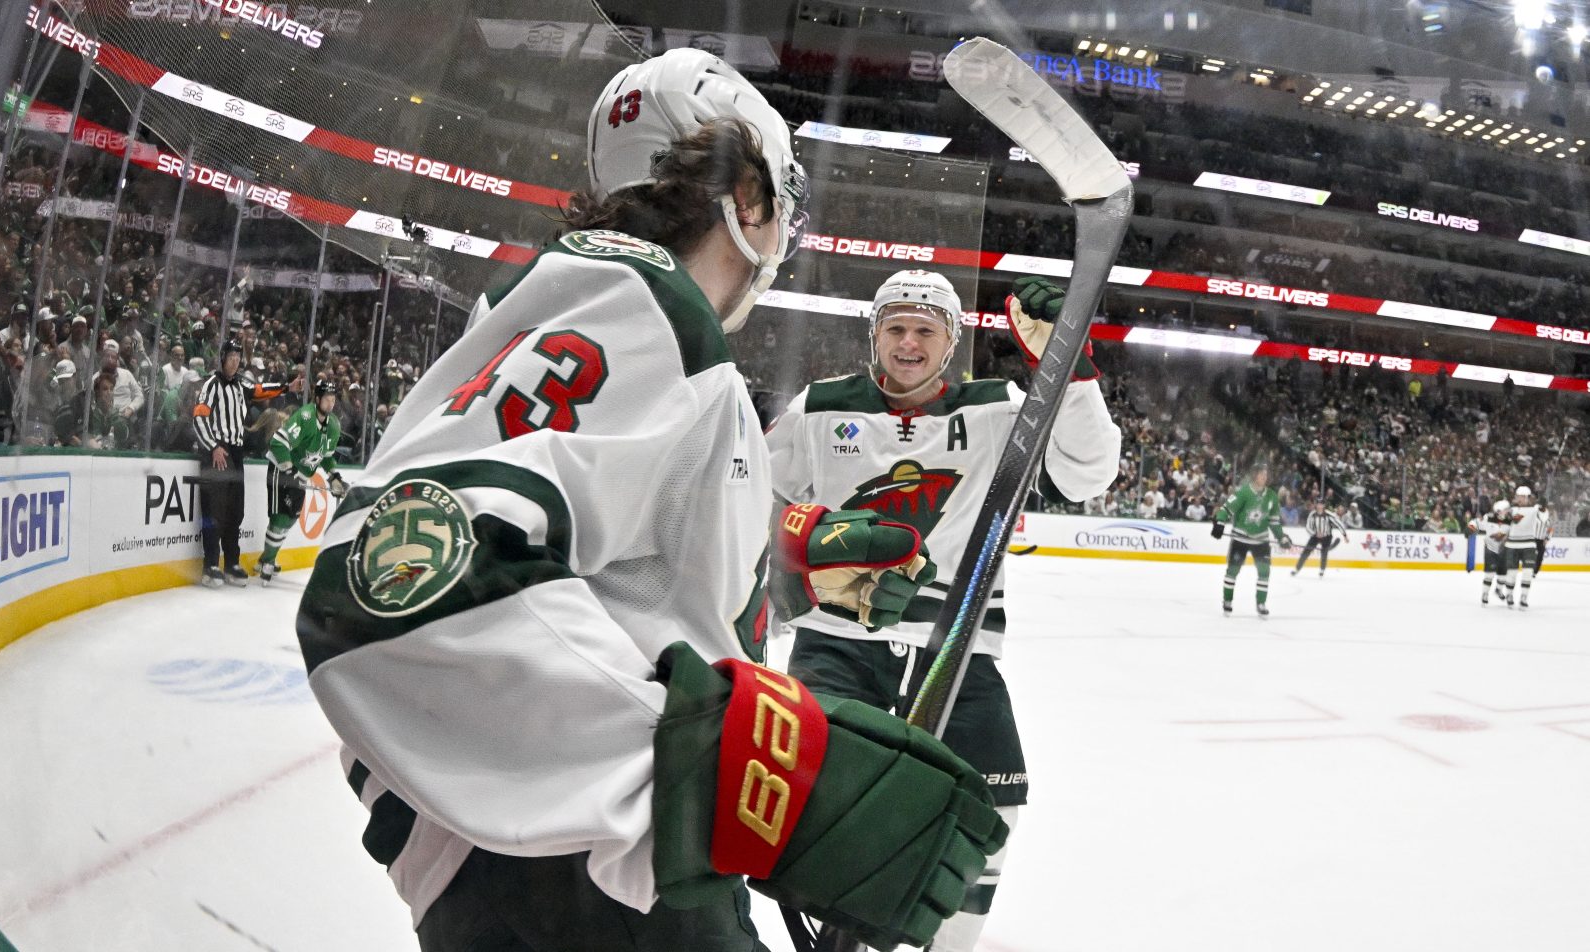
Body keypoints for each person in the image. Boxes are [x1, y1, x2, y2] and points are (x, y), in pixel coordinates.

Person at [295, 49, 1003, 952]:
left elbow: (611, 542)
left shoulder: (581, 302)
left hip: (561, 854)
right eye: (781, 198)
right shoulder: (640, 305)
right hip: (584, 870)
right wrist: (729, 776)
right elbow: (395, 582)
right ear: (748, 202)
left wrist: (799, 554)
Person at [764, 270, 1120, 952]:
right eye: (895, 326)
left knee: (994, 804)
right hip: (840, 638)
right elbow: (755, 502)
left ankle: (944, 942)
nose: (908, 341)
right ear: (874, 336)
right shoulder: (821, 406)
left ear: (951, 340)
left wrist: (1071, 373)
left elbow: (1087, 474)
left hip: (956, 646)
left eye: (925, 329)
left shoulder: (997, 407)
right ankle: (833, 931)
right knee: (815, 797)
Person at [192, 339, 302, 587]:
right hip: (217, 452)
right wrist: (213, 447)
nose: (234, 361)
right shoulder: (211, 386)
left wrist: (287, 387)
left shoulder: (241, 384)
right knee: (214, 510)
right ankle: (210, 565)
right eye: (230, 356)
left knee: (234, 510)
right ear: (221, 358)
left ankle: (231, 562)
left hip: (236, 451)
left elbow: (261, 390)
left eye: (237, 357)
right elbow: (198, 419)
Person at [255, 380, 348, 583]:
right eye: (327, 399)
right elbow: (278, 442)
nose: (330, 404)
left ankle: (264, 559)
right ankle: (268, 561)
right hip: (282, 469)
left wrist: (334, 477)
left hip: (300, 475)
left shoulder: (333, 425)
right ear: (317, 399)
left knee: (290, 518)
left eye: (333, 400)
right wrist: (289, 467)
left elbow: (326, 456)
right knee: (280, 517)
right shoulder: (305, 417)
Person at [1212, 462, 1295, 618]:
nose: (1264, 477)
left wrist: (1281, 537)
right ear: (1254, 475)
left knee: (1265, 571)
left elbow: (1274, 522)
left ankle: (1261, 603)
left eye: (1266, 474)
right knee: (1232, 571)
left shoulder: (1271, 496)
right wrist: (1219, 523)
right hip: (1240, 538)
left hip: (1261, 540)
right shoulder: (1243, 492)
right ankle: (1227, 601)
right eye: (1261, 474)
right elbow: (1226, 509)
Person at [1504, 485, 1543, 609]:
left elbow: (1543, 518)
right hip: (1512, 545)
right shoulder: (1511, 510)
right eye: (1518, 496)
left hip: (1529, 545)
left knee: (1528, 572)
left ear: (1528, 498)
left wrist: (1542, 507)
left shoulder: (1535, 510)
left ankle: (1524, 597)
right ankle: (1509, 595)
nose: (1520, 499)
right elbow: (1511, 520)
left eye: (1523, 497)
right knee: (1512, 573)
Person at [1291, 499, 1349, 577]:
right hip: (1315, 536)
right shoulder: (1312, 514)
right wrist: (1314, 533)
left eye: (1321, 504)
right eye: (1318, 504)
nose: (1319, 506)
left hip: (1327, 537)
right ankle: (1297, 569)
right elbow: (1308, 526)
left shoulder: (1329, 514)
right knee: (1306, 552)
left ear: (1324, 505)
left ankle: (1322, 569)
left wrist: (1345, 535)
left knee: (1324, 553)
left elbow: (1339, 524)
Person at [1472, 499, 1512, 606]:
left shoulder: (1510, 521)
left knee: (1503, 575)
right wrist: (1470, 528)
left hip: (1504, 549)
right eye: (1506, 510)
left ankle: (1498, 590)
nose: (1508, 511)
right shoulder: (1488, 518)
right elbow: (1476, 522)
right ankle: (1485, 594)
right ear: (1499, 511)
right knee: (1489, 574)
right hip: (1490, 549)